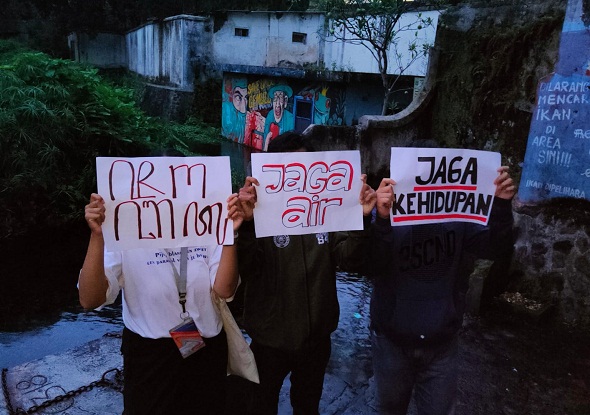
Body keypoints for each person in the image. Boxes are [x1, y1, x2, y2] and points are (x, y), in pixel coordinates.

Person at [236, 131, 376, 414]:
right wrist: (246, 225)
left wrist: (361, 219)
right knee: (260, 405)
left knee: (307, 406)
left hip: (316, 338)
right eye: (288, 169)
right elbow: (244, 268)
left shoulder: (328, 209)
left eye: (303, 168)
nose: (296, 178)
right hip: (268, 338)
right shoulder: (255, 211)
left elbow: (349, 260)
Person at [78, 190, 244, 415]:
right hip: (149, 357)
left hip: (205, 349)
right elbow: (89, 299)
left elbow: (224, 290)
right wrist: (97, 235)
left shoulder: (207, 221)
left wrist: (229, 235)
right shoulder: (124, 229)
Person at [369, 164, 516, 415]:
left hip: (441, 344)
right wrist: (381, 220)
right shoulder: (386, 209)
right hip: (393, 342)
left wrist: (501, 206)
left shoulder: (459, 216)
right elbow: (368, 264)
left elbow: (494, 248)